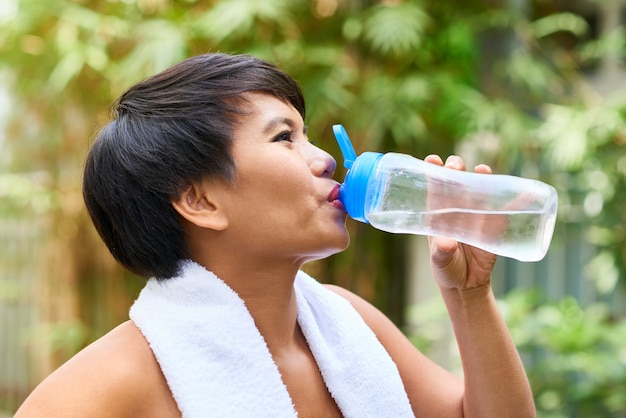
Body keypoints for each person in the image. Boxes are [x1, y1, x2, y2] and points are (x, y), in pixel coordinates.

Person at [15, 53, 536, 418]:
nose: (325, 159)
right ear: (200, 200)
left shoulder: (351, 326)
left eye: (305, 133)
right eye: (284, 137)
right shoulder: (105, 388)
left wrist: (470, 296)